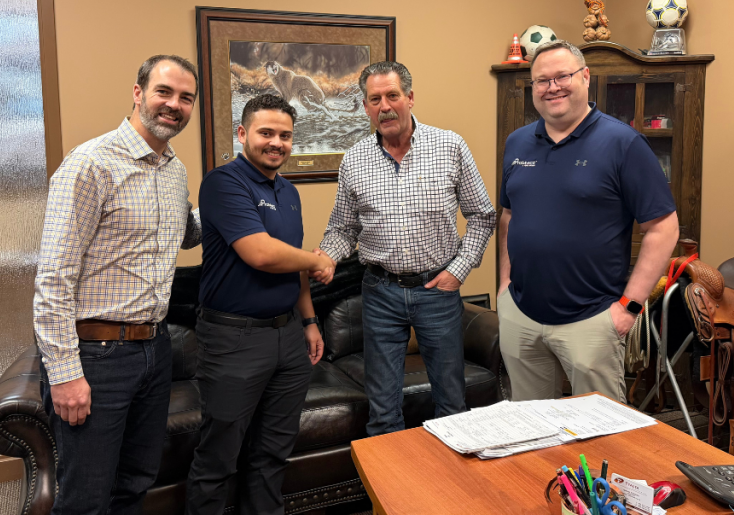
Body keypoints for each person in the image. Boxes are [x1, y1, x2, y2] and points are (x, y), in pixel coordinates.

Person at [33, 54, 202, 514]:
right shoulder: (90, 164)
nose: (174, 105)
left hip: (155, 348)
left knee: (135, 483)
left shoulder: (174, 170)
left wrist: (232, 196)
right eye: (164, 92)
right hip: (97, 356)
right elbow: (53, 277)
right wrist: (64, 372)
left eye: (186, 98)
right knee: (85, 498)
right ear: (138, 92)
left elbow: (183, 234)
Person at [497, 40, 680, 403]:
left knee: (600, 429)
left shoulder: (623, 143)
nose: (552, 87)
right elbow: (508, 216)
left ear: (585, 77)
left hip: (592, 318)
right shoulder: (517, 143)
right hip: (521, 314)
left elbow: (663, 227)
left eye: (562, 76)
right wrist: (504, 285)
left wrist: (630, 307)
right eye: (542, 80)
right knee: (529, 424)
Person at [320, 61, 496, 436]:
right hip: (380, 292)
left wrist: (458, 270)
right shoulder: (354, 160)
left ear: (410, 98)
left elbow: (482, 216)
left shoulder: (450, 146)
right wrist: (325, 258)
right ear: (365, 107)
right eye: (375, 99)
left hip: (437, 291)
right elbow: (343, 228)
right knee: (383, 412)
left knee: (451, 405)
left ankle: (450, 473)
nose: (384, 106)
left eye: (392, 96)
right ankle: (390, 476)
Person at [186, 94, 332, 515]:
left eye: (285, 135)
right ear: (242, 133)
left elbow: (292, 261)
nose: (276, 143)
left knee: (273, 454)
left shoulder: (288, 191)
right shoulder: (223, 183)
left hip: (288, 336)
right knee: (218, 460)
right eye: (266, 133)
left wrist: (309, 320)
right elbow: (262, 254)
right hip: (233, 339)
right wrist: (319, 262)